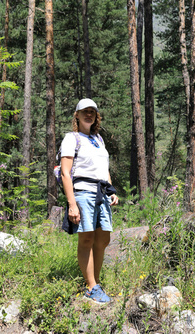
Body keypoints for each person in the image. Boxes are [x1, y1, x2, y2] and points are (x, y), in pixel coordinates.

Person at [60, 98, 118, 304]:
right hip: (83, 191)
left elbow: (104, 169)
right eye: (84, 111)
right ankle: (92, 286)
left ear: (96, 116)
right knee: (86, 238)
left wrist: (111, 191)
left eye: (92, 112)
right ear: (76, 115)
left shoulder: (98, 139)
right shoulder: (71, 138)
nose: (88, 114)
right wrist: (72, 204)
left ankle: (95, 282)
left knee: (103, 239)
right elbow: (66, 173)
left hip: (101, 192)